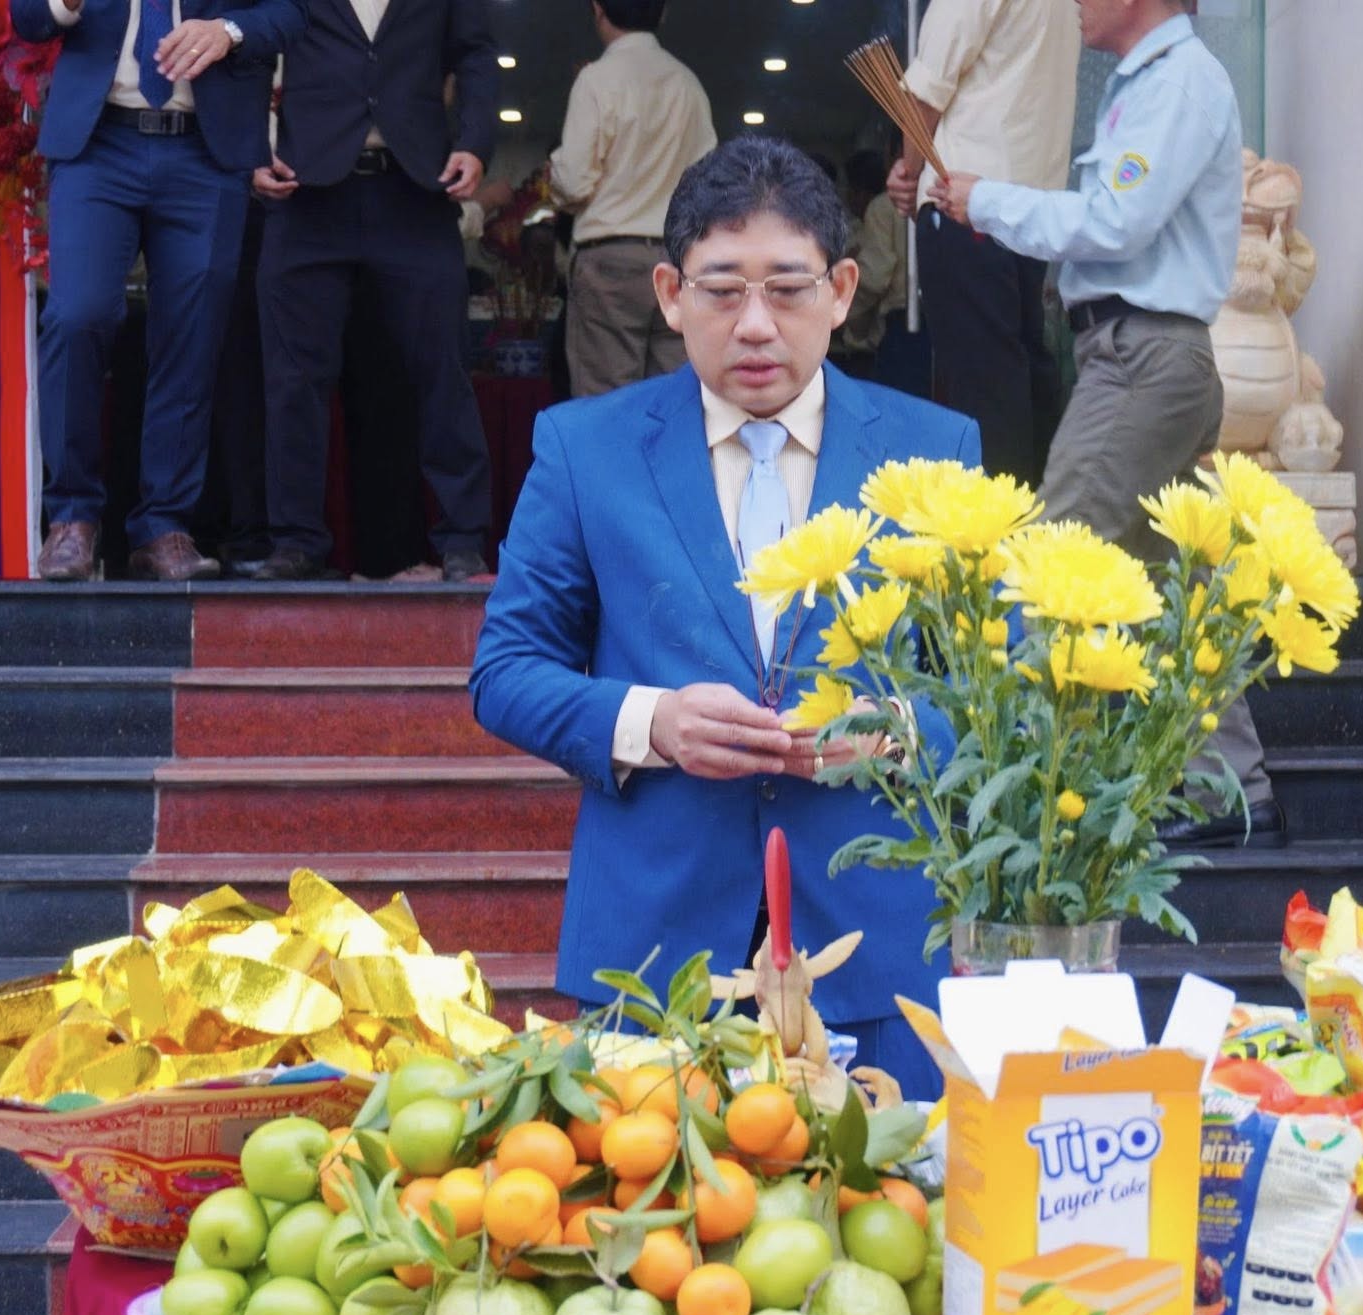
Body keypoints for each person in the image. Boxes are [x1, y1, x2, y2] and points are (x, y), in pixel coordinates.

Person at [470, 138, 981, 1101]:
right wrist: (652, 722)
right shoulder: (587, 448)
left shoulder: (935, 450)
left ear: (840, 290)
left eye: (787, 290)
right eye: (721, 290)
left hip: (877, 951)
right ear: (669, 294)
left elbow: (999, 693)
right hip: (655, 954)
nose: (755, 325)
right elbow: (505, 671)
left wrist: (897, 732)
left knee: (893, 1193)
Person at [929, 0, 1281, 846]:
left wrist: (988, 201)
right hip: (1137, 356)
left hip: (1142, 359)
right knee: (1165, 589)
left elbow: (1116, 223)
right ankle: (1234, 795)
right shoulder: (1151, 83)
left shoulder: (1180, 82)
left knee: (1059, 561)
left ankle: (1026, 801)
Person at [15, 0, 304, 581]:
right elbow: (27, 17)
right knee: (77, 315)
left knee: (192, 336)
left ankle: (163, 526)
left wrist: (228, 30)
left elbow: (293, 12)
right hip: (97, 144)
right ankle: (71, 519)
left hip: (207, 153)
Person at [247, 0, 499, 581]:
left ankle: (463, 536)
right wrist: (249, 150)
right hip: (306, 191)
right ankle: (295, 539)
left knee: (442, 367)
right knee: (293, 375)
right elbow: (251, 51)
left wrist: (476, 140)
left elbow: (476, 54)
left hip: (415, 187)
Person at [885, 0, 1078, 481]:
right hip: (1031, 213)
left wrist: (908, 171)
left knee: (984, 393)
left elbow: (926, 93)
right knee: (1027, 383)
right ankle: (1042, 516)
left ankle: (995, 524)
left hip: (965, 201)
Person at [548, 0, 716, 398]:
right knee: (674, 399)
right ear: (663, 13)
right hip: (677, 259)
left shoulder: (596, 79)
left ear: (597, 9)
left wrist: (552, 170)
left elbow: (574, 181)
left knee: (606, 401)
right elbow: (710, 181)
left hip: (610, 257)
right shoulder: (688, 84)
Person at [837, 147, 928, 398]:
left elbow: (874, 277)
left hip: (901, 327)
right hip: (942, 324)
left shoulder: (883, 207)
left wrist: (843, 317)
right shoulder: (944, 201)